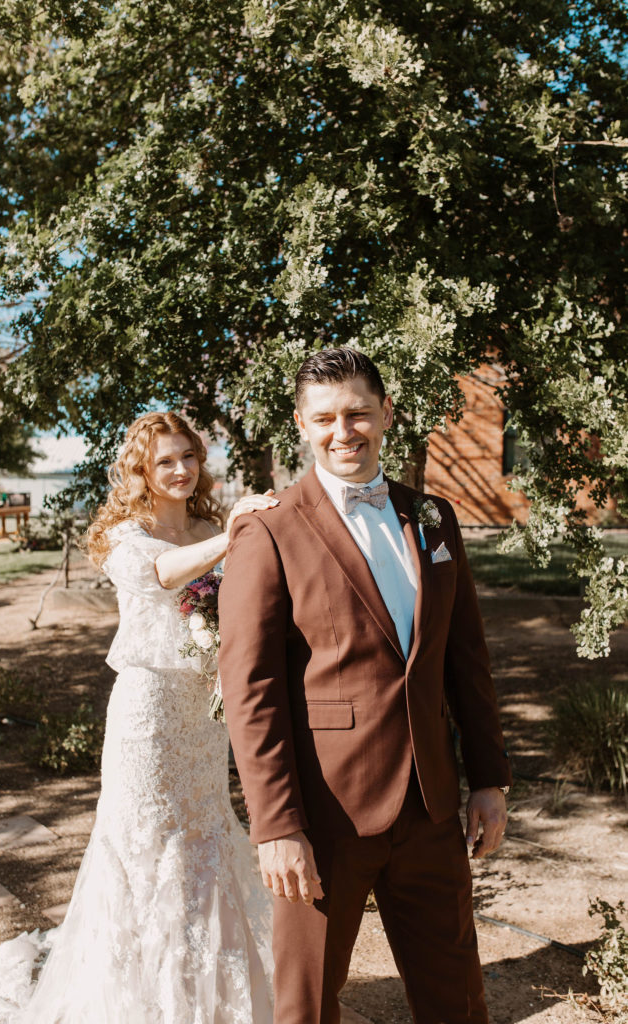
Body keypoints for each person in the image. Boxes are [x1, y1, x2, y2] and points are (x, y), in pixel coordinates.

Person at [0, 410, 277, 1024]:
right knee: (148, 842)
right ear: (142, 471)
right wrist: (234, 533)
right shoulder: (127, 532)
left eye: (188, 457)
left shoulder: (210, 523)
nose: (180, 470)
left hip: (205, 715)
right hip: (148, 715)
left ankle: (211, 998)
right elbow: (161, 573)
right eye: (164, 461)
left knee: (204, 837)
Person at [218, 348, 512, 1024]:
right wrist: (276, 827)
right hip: (324, 817)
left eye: (356, 413)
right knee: (308, 1003)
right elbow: (250, 691)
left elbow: (466, 657)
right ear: (301, 424)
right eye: (324, 418)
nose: (342, 431)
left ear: (385, 413)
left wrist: (488, 779)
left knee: (456, 996)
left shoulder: (434, 517)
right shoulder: (268, 531)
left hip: (432, 809)